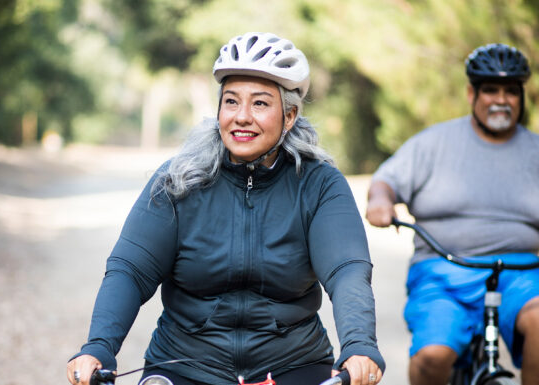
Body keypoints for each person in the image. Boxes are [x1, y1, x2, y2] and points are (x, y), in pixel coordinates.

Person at [68, 32, 385, 385]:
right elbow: (130, 269)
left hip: (293, 364)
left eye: (260, 104)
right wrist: (98, 347)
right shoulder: (179, 179)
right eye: (231, 101)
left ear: (290, 115)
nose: (242, 117)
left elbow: (347, 272)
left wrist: (359, 345)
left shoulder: (320, 183)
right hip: (185, 365)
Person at [365, 43, 539, 385]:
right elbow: (385, 180)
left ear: (522, 97)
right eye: (490, 90)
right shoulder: (433, 142)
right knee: (432, 358)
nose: (501, 100)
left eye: (511, 91)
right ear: (471, 93)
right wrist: (381, 201)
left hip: (521, 272)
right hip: (444, 271)